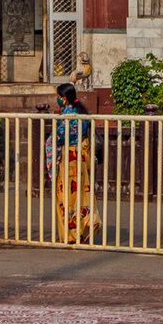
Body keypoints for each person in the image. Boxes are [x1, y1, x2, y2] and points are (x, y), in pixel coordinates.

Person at [51, 81, 98, 243]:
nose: (57, 99)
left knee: (65, 197)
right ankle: (87, 224)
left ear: (64, 98)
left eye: (58, 96)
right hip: (82, 157)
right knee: (83, 194)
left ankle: (71, 235)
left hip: (69, 158)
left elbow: (60, 137)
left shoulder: (68, 115)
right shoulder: (82, 112)